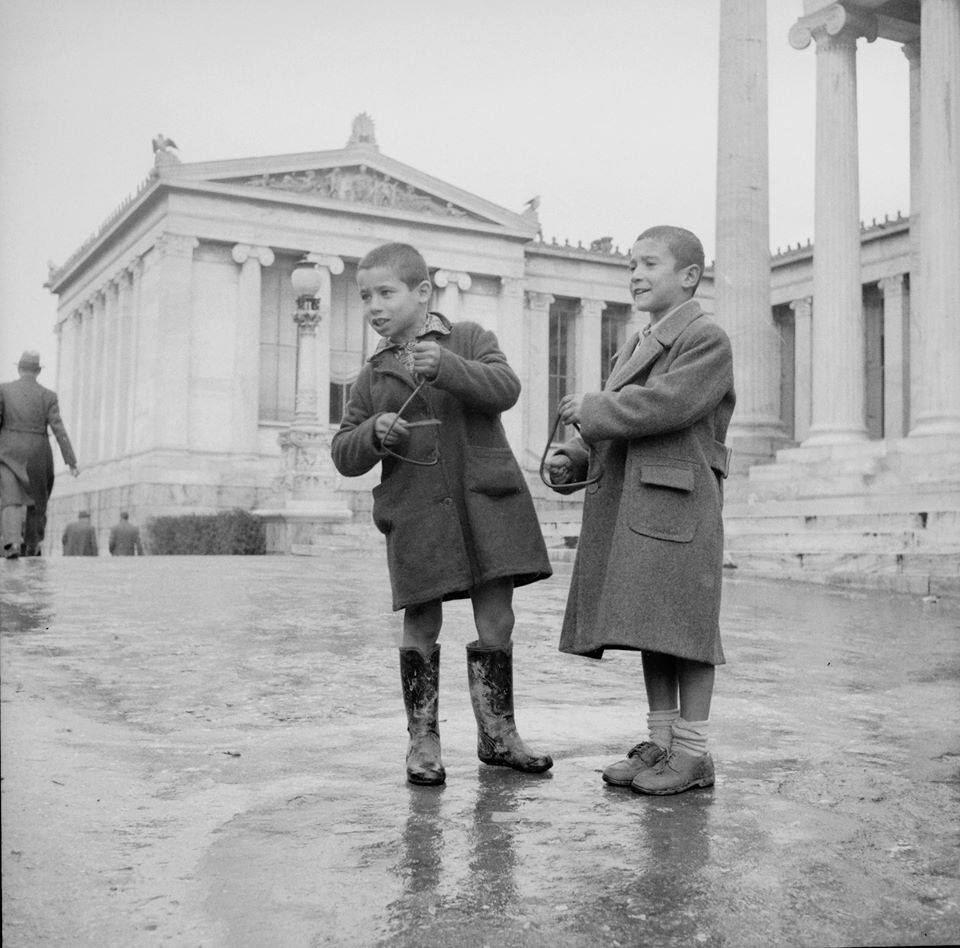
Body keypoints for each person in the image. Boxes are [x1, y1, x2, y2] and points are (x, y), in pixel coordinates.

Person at [331, 241, 553, 786]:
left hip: (486, 503)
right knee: (421, 618)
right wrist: (372, 434)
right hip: (418, 514)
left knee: (496, 615)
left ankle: (498, 735)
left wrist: (450, 366)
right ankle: (423, 742)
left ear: (423, 292)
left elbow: (506, 388)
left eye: (386, 292)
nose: (374, 306)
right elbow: (342, 452)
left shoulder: (470, 339)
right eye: (366, 297)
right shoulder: (372, 374)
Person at [544, 225, 735, 795]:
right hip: (640, 499)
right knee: (653, 625)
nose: (635, 274)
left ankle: (694, 752)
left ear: (690, 276)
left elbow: (666, 405)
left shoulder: (706, 338)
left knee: (688, 629)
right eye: (631, 264)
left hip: (681, 502)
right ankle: (661, 743)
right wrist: (574, 458)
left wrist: (594, 409)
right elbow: (623, 426)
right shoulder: (635, 343)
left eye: (649, 263)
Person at [0, 350, 79, 558]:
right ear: (37, 371)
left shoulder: (4, 390)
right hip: (38, 451)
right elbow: (58, 429)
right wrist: (71, 461)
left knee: (11, 498)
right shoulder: (49, 396)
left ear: (19, 369)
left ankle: (11, 544)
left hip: (8, 452)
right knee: (36, 499)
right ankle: (33, 545)